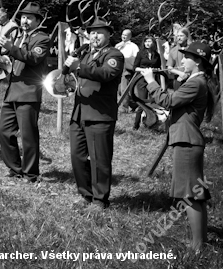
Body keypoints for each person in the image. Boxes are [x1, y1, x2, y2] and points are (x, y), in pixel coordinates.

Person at [141, 41, 216, 252]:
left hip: (187, 141)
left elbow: (168, 101)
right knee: (194, 194)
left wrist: (150, 81)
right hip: (187, 140)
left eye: (186, 58)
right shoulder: (196, 80)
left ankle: (197, 247)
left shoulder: (196, 83)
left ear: (198, 62)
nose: (181, 60)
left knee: (190, 195)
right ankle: (199, 242)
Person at [64, 17, 124, 213]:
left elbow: (105, 74)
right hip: (80, 112)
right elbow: (83, 80)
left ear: (109, 35)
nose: (94, 35)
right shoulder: (87, 54)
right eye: (92, 32)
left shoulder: (114, 54)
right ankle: (86, 194)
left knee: (99, 159)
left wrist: (79, 67)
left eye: (99, 32)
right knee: (77, 156)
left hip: (100, 114)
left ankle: (100, 200)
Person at [0, 2, 50, 183]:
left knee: (28, 137)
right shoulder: (19, 36)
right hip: (12, 91)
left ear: (37, 21)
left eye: (29, 18)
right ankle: (15, 168)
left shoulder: (42, 38)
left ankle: (31, 174)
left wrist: (12, 48)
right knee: (4, 132)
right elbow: (14, 60)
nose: (25, 20)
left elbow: (33, 58)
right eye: (23, 17)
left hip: (28, 93)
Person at [132, 35, 161, 129]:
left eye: (149, 41)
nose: (147, 43)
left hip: (153, 80)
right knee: (142, 102)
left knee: (152, 102)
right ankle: (136, 125)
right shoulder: (140, 54)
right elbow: (135, 67)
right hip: (142, 80)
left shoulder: (157, 55)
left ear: (153, 43)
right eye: (146, 41)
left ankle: (151, 124)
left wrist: (155, 70)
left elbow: (159, 68)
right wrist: (144, 70)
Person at [115, 29, 139, 111]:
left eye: (125, 35)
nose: (123, 36)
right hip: (118, 69)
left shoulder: (133, 46)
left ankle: (124, 108)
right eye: (122, 34)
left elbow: (136, 59)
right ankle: (135, 105)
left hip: (127, 70)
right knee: (119, 90)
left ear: (130, 36)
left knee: (124, 89)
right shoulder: (118, 45)